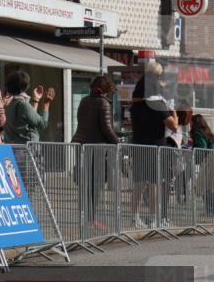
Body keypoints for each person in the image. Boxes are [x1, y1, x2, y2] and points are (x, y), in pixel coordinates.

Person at [129, 62, 177, 228]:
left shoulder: (136, 102)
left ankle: (134, 217)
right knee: (154, 184)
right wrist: (174, 112)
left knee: (138, 183)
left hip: (138, 144)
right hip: (155, 146)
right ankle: (153, 217)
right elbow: (173, 125)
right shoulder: (157, 103)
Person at [72, 75, 120, 230]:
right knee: (97, 185)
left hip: (81, 145)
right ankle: (91, 219)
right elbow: (106, 128)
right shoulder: (104, 103)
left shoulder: (84, 100)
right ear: (107, 89)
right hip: (98, 148)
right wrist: (118, 142)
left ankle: (84, 218)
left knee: (85, 184)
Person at [1, 70, 54, 144]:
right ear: (26, 86)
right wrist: (46, 103)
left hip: (13, 148)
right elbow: (42, 124)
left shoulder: (9, 103)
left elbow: (30, 120)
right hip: (27, 149)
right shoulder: (22, 104)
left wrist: (35, 100)